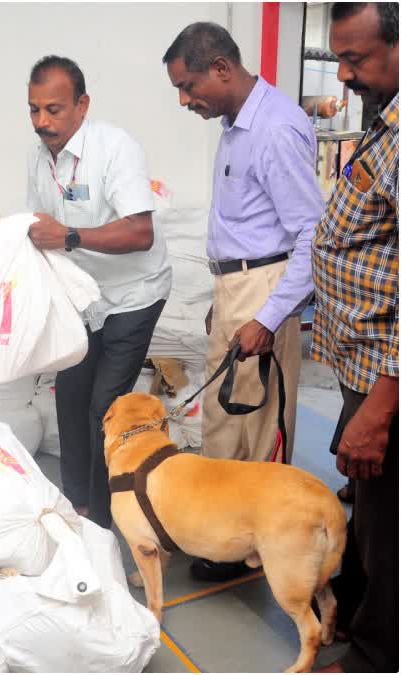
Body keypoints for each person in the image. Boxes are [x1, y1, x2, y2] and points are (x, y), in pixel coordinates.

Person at [162, 22, 323, 582]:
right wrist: (224, 295)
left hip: (264, 290)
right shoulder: (237, 125)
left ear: (222, 69)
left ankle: (255, 545)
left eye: (188, 86)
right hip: (238, 287)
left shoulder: (277, 129)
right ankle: (225, 534)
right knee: (224, 422)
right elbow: (245, 223)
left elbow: (310, 235)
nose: (185, 100)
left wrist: (267, 315)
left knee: (255, 421)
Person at [25, 55, 171, 529]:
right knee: (68, 399)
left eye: (54, 109)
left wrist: (69, 236)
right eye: (34, 110)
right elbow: (38, 228)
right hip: (84, 297)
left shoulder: (115, 149)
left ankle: (104, 524)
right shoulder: (39, 159)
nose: (42, 122)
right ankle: (77, 506)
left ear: (82, 105)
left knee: (102, 411)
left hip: (133, 296)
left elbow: (139, 233)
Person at [311, 3, 398, 672]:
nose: (342, 73)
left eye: (356, 58)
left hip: (386, 377)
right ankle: (354, 613)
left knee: (389, 528)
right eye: (338, 58)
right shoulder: (385, 119)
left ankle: (376, 655)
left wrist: (382, 401)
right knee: (367, 516)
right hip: (360, 365)